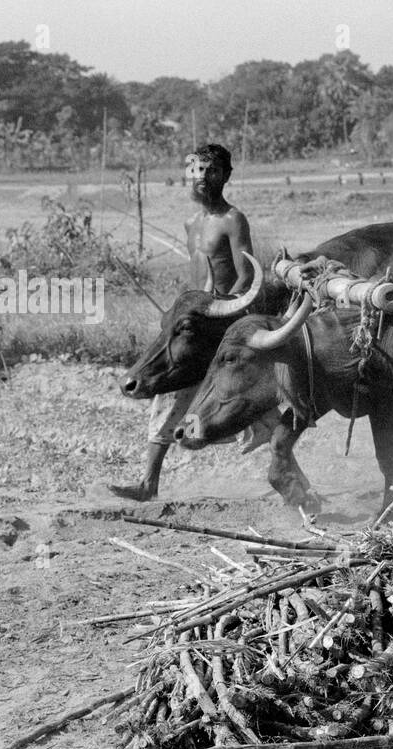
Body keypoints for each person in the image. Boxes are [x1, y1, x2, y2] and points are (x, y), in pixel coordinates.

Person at [114, 144, 275, 501]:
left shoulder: (233, 220)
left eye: (211, 170)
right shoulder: (192, 223)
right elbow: (197, 279)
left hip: (223, 319)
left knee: (252, 402)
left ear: (225, 176)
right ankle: (148, 483)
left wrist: (218, 308)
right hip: (195, 321)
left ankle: (289, 475)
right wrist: (186, 312)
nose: (202, 177)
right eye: (197, 170)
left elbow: (245, 277)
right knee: (169, 395)